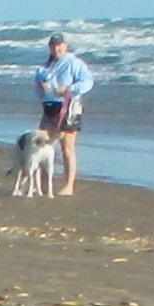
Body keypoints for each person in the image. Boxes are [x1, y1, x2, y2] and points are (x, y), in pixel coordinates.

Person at [34, 33, 93, 196]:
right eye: (53, 45)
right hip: (50, 107)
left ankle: (68, 185)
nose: (56, 48)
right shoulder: (44, 67)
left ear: (66, 46)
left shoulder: (75, 63)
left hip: (70, 107)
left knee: (67, 147)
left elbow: (88, 82)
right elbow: (38, 91)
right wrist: (42, 87)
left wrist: (69, 89)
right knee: (41, 144)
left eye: (59, 45)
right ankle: (42, 185)